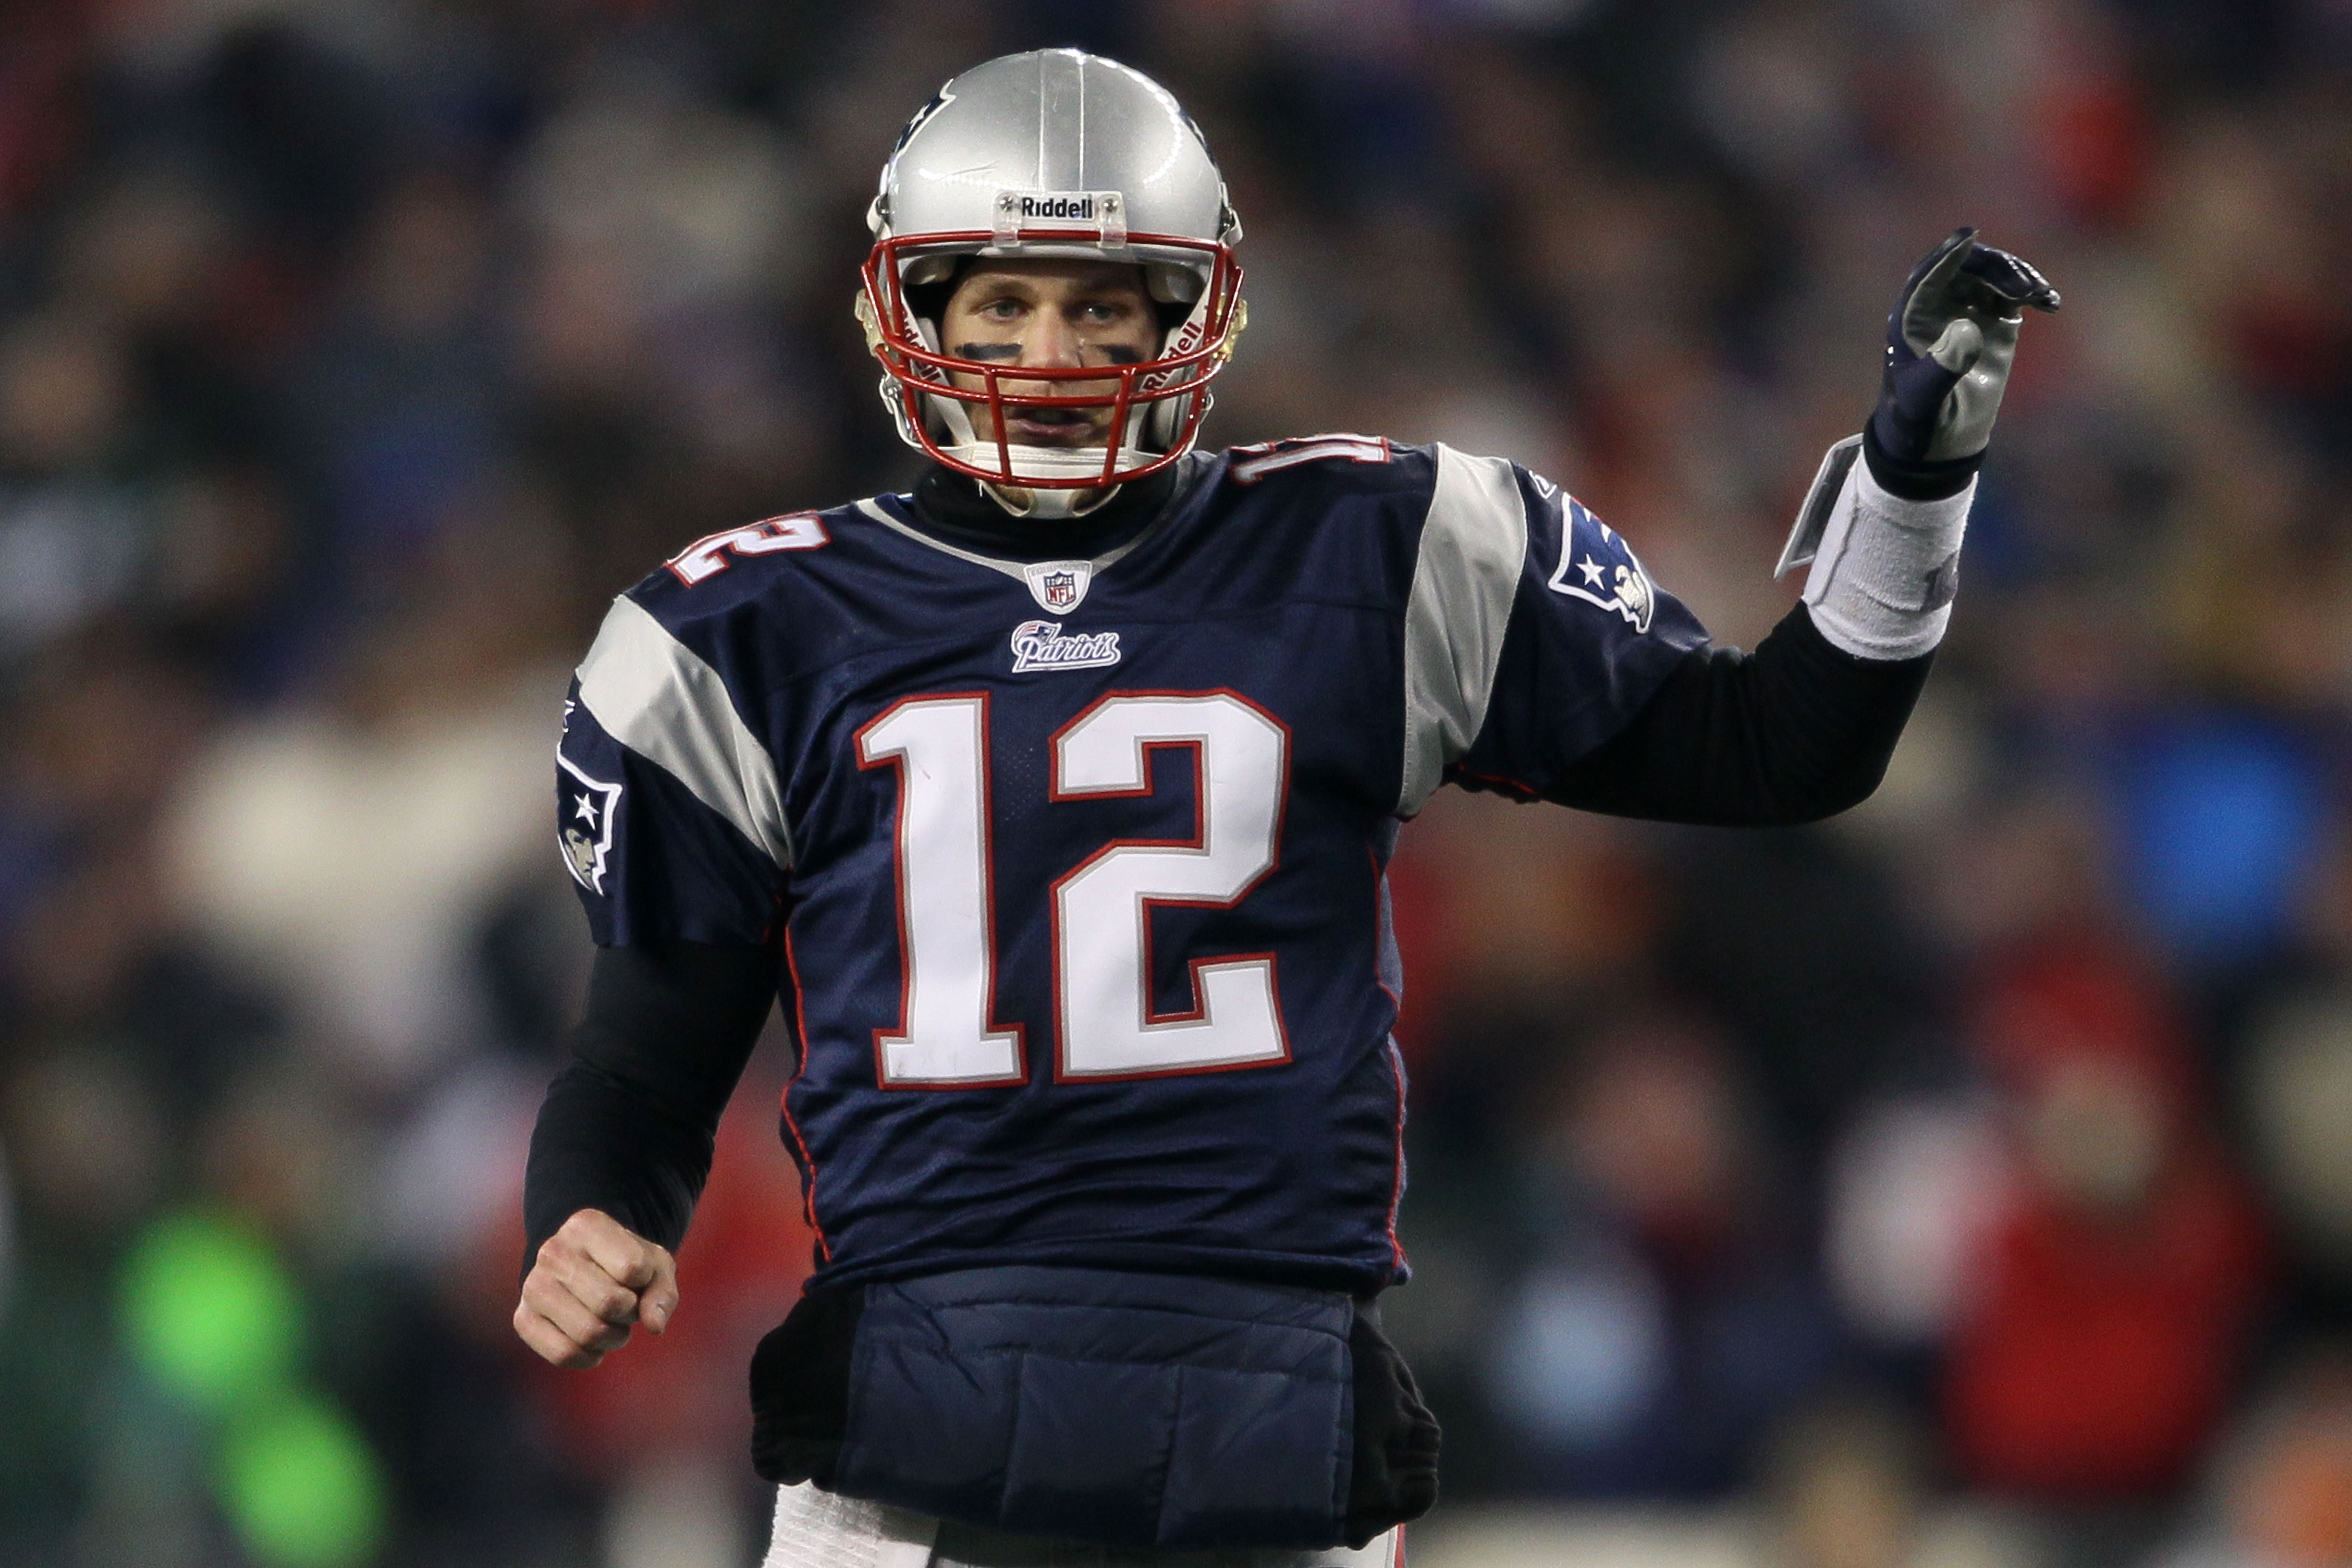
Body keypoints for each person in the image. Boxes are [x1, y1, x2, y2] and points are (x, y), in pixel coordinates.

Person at [514, 47, 2057, 1568]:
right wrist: (593, 1211)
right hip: (911, 1432)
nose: (1049, 351)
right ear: (906, 309)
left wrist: (1918, 491)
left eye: (1100, 303)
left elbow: (1773, 753)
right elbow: (651, 1052)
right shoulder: (745, 628)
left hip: (1271, 1413)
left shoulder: (1379, 546)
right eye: (1002, 301)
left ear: (1193, 310)